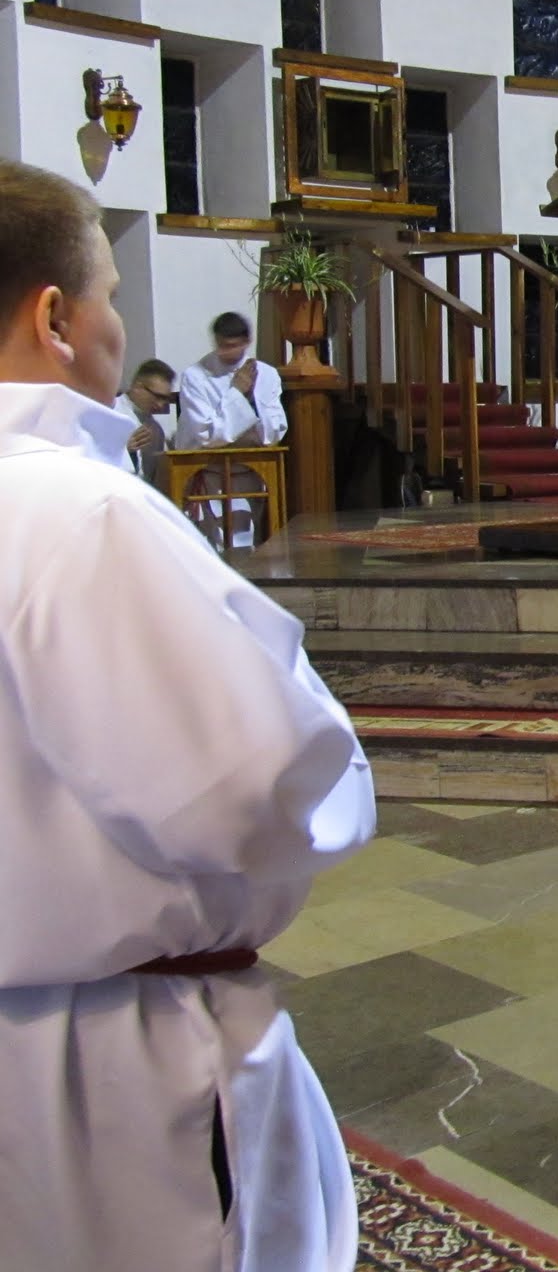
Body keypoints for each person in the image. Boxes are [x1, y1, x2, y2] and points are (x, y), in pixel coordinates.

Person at [0, 160, 376, 1271]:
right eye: (112, 295)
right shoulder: (79, 514)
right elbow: (253, 792)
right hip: (107, 1074)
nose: (117, 326)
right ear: (56, 318)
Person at [174, 311, 288, 549]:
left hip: (251, 470)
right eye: (222, 345)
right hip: (211, 471)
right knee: (213, 544)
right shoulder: (196, 376)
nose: (226, 351)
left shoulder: (267, 374)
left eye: (233, 346)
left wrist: (250, 401)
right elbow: (206, 433)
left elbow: (275, 430)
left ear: (247, 342)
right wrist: (237, 392)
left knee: (248, 540)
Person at [111, 355, 176, 483]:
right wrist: (125, 451)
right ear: (138, 387)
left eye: (165, 399)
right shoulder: (111, 412)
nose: (160, 405)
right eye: (157, 396)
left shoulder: (156, 429)